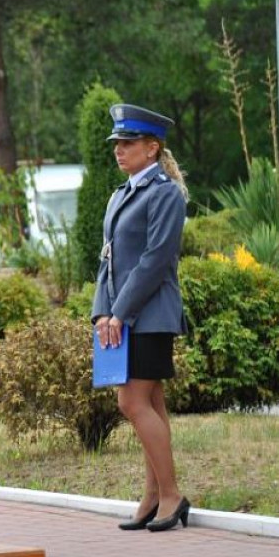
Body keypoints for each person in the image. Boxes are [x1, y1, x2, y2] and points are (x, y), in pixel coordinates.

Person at [91, 103, 190, 533]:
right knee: (149, 403)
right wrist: (101, 311)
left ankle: (170, 494)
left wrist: (120, 311)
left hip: (150, 315)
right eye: (117, 143)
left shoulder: (165, 194)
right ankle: (153, 495)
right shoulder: (120, 195)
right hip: (122, 316)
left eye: (128, 143)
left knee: (131, 402)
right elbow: (107, 260)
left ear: (152, 149)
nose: (119, 150)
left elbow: (154, 261)